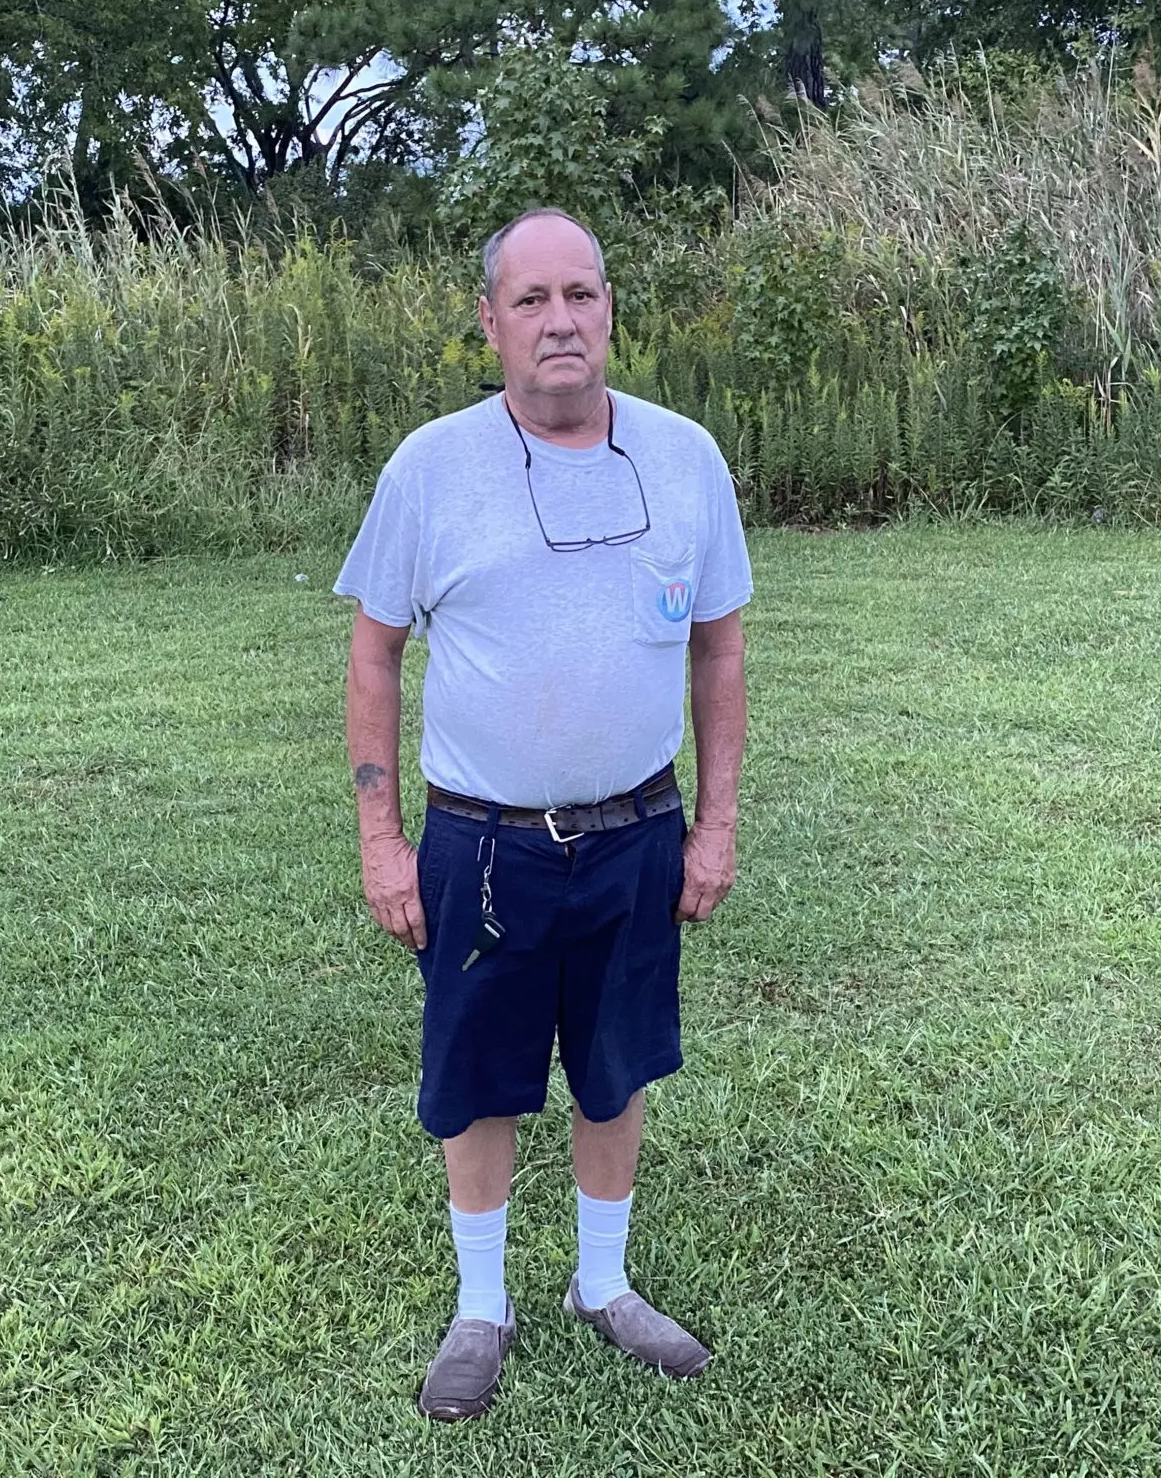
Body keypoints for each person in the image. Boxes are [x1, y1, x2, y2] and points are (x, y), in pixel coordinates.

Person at [335, 207, 752, 1421]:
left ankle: (602, 1284)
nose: (559, 321)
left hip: (636, 832)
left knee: (614, 1069)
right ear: (490, 321)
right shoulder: (430, 468)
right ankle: (481, 1309)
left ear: (610, 308)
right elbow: (372, 659)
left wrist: (714, 824)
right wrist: (379, 838)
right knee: (479, 1081)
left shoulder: (684, 460)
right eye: (531, 301)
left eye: (581, 294)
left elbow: (717, 653)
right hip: (479, 844)